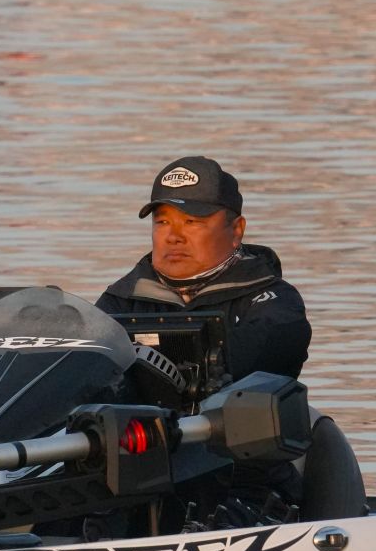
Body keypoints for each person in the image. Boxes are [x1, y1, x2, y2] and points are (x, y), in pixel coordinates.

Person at [96, 155, 311, 382]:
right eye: (163, 222)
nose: (174, 237)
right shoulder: (121, 301)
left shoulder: (274, 301)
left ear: (236, 230)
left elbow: (272, 348)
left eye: (191, 222)